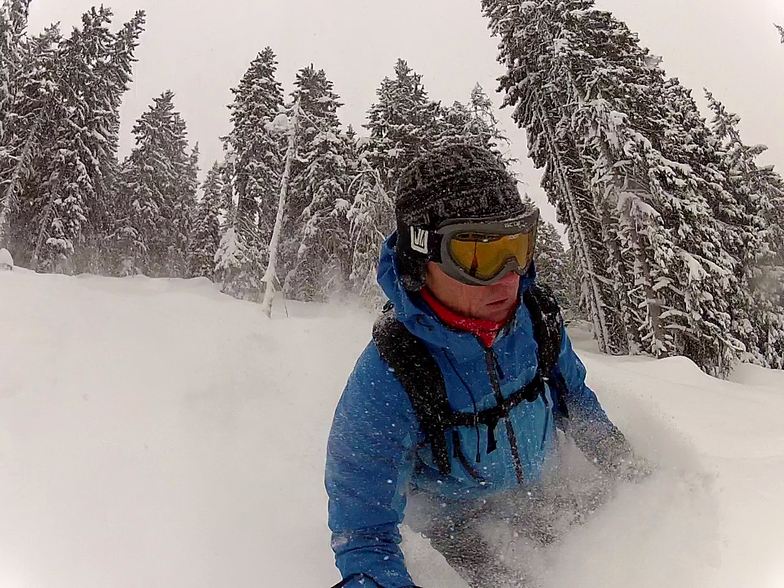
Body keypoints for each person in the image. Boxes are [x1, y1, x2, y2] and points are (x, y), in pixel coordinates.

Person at [325, 144, 643, 588]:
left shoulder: (537, 320)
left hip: (540, 497)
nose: (509, 276)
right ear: (422, 258)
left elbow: (577, 405)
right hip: (458, 532)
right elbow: (364, 535)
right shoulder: (393, 374)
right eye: (477, 255)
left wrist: (635, 477)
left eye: (517, 246)